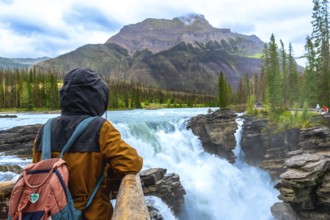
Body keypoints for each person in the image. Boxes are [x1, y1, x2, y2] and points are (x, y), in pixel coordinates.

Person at [32, 68, 143, 219]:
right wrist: (108, 168)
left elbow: (37, 171)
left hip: (50, 214)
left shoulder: (45, 129)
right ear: (97, 97)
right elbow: (132, 163)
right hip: (93, 214)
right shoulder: (100, 128)